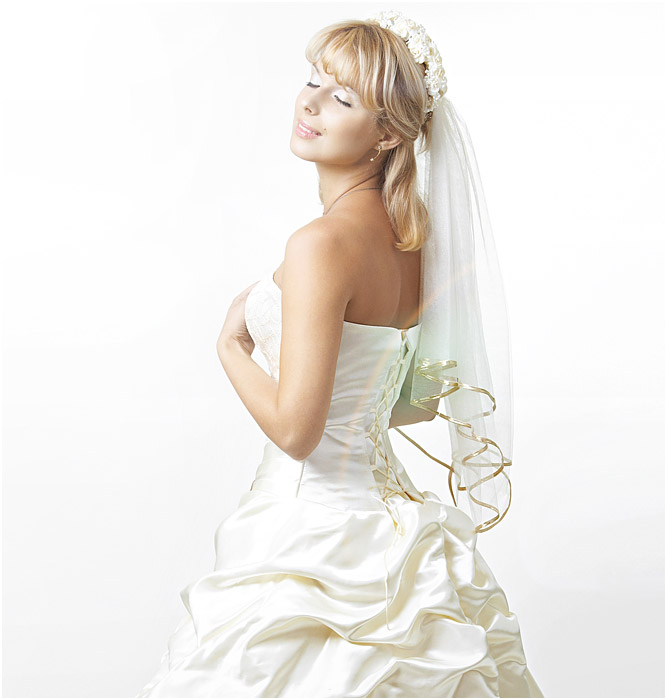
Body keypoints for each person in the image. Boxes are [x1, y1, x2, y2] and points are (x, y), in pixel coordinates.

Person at [136, 11, 543, 698]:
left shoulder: (321, 245)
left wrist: (230, 348)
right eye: (313, 81)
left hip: (308, 531)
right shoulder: (415, 248)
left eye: (342, 98)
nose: (311, 103)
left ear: (387, 134)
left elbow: (298, 432)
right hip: (391, 529)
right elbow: (411, 404)